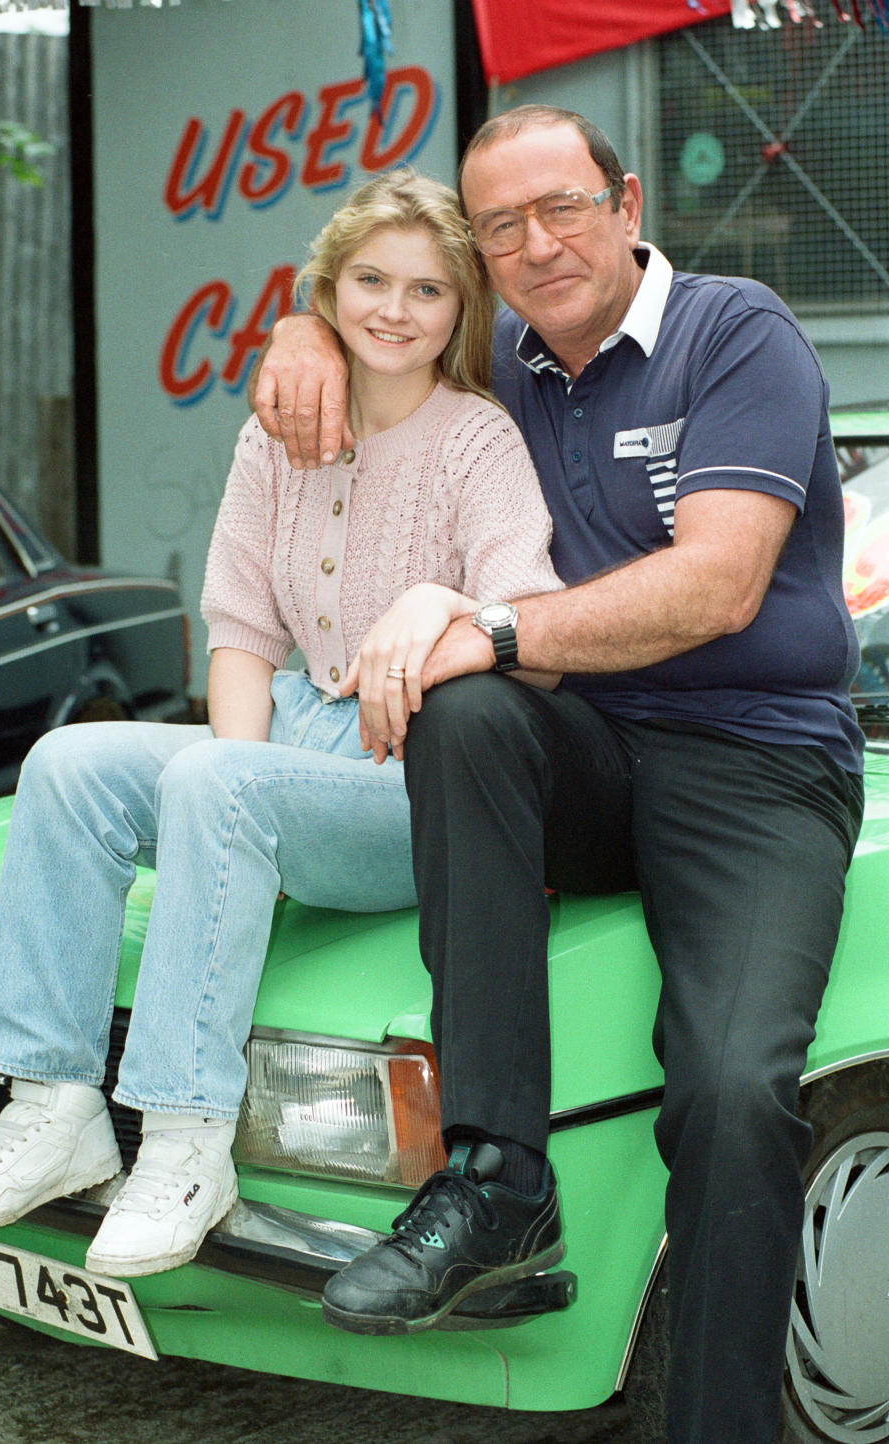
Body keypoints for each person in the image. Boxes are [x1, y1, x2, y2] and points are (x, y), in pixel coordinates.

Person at [254, 107, 865, 1444]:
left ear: (627, 200)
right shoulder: (497, 363)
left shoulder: (736, 332)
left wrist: (500, 626)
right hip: (582, 747)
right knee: (464, 714)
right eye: (501, 226)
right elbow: (378, 316)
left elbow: (719, 583)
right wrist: (305, 330)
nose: (536, 245)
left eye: (564, 207)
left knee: (732, 1089)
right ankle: (496, 1177)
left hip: (756, 765)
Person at [0, 167, 565, 1281]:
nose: (394, 310)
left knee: (223, 783)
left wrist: (438, 612)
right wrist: (233, 794)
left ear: (462, 308)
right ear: (328, 289)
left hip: (415, 779)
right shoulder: (276, 435)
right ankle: (51, 1099)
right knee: (72, 761)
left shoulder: (478, 442)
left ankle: (183, 1139)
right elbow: (241, 631)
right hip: (290, 739)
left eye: (426, 290)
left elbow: (532, 619)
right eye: (370, 279)